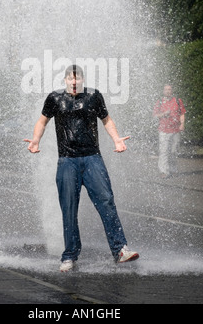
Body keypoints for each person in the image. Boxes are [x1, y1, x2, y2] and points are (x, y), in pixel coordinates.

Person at [24, 64, 139, 272]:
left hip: (92, 158)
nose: (74, 82)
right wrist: (35, 140)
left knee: (106, 201)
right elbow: (42, 122)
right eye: (70, 79)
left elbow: (107, 120)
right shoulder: (54, 98)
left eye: (77, 79)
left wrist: (116, 140)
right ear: (66, 80)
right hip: (67, 161)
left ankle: (121, 250)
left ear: (82, 80)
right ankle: (69, 256)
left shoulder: (94, 96)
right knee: (68, 209)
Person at [153, 84, 186, 178]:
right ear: (163, 91)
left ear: (172, 91)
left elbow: (182, 113)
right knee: (164, 151)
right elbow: (155, 115)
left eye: (169, 89)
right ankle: (164, 171)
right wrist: (163, 114)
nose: (168, 91)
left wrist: (182, 124)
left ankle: (173, 169)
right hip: (163, 130)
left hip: (175, 130)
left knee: (173, 151)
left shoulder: (177, 101)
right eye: (166, 89)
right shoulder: (159, 102)